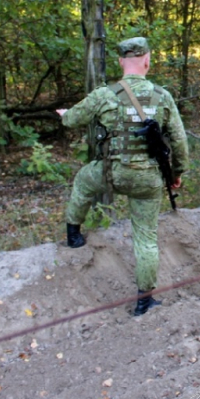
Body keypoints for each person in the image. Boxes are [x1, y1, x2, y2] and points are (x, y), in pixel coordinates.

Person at [56, 37, 189, 316]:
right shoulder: (162, 96)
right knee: (146, 238)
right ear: (147, 60)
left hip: (112, 173)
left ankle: (73, 235)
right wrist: (176, 173)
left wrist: (66, 114)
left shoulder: (104, 94)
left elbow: (71, 120)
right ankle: (145, 300)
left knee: (83, 180)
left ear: (120, 62)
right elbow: (179, 141)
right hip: (149, 179)